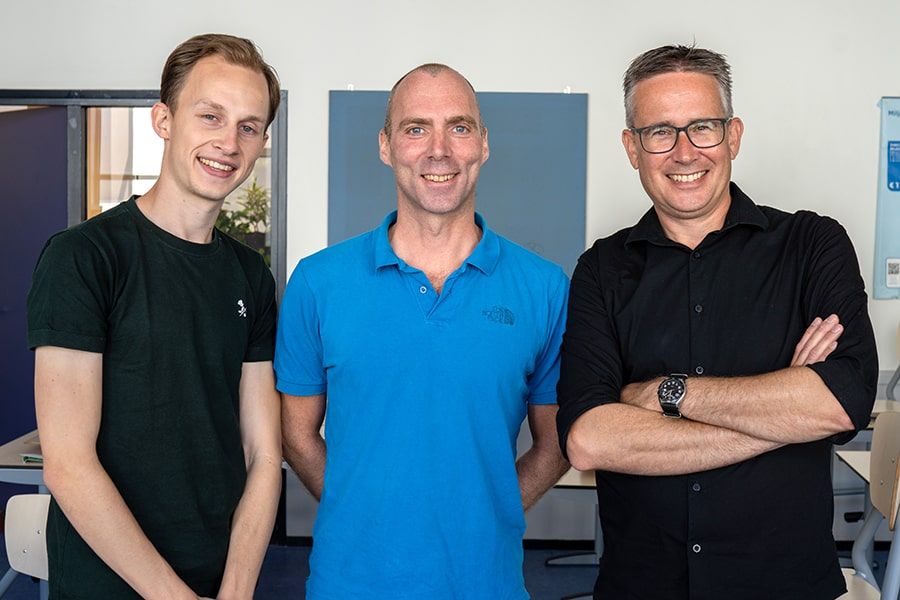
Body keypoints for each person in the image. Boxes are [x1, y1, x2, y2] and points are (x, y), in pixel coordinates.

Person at [556, 45, 878, 600]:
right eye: (660, 131)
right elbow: (588, 441)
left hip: (785, 587)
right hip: (643, 588)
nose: (684, 152)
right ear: (632, 147)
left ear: (733, 136)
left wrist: (664, 392)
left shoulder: (812, 244)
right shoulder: (601, 269)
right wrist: (779, 415)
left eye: (702, 127)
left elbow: (841, 401)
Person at [275, 63, 570, 599]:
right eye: (415, 128)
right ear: (386, 145)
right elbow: (296, 434)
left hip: (487, 585)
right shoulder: (317, 282)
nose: (439, 150)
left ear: (483, 144)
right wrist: (359, 508)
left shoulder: (544, 288)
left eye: (458, 127)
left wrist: (490, 510)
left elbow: (556, 444)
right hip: (349, 585)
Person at [27, 34, 282, 600]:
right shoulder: (84, 258)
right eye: (210, 115)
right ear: (163, 120)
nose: (228, 142)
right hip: (110, 582)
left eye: (248, 125)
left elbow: (264, 453)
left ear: (263, 141)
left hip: (219, 578)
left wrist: (236, 589)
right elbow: (67, 463)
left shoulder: (250, 277)